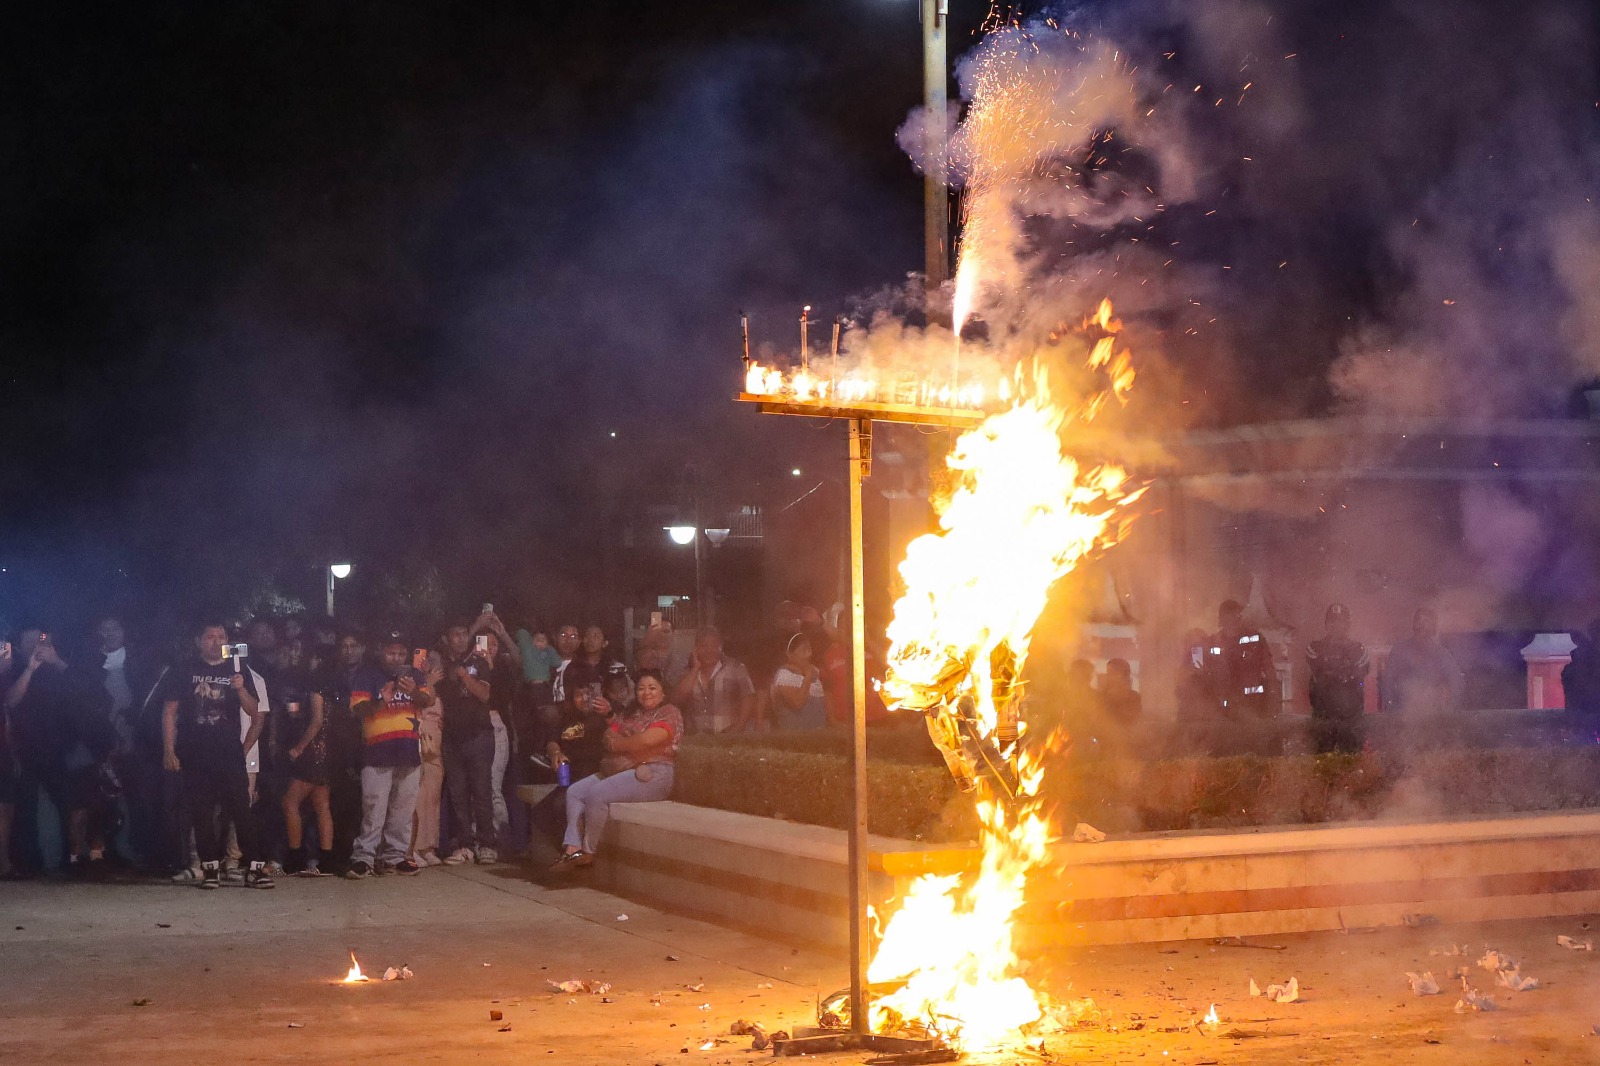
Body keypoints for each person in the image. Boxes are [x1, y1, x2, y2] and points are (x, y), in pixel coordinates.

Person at [159, 622, 274, 890]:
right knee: (202, 812)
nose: (215, 641)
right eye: (210, 636)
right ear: (199, 640)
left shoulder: (236, 668)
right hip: (195, 753)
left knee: (241, 810)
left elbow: (254, 711)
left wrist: (241, 689)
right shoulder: (185, 669)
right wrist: (169, 749)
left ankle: (255, 868)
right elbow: (169, 711)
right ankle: (209, 868)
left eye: (221, 637)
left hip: (228, 753)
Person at [5, 628, 118, 876]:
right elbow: (10, 702)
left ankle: (72, 859)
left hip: (61, 750)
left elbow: (86, 692)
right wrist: (30, 669)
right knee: (26, 808)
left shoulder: (62, 669)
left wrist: (56, 662)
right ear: (20, 645)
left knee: (71, 805)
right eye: (29, 641)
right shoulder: (13, 669)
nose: (35, 645)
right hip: (26, 750)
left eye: (40, 640)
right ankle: (29, 862)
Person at [552, 668, 682, 869]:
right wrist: (626, 742)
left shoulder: (669, 712)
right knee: (575, 792)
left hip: (655, 773)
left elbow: (646, 741)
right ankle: (572, 849)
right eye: (641, 688)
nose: (646, 692)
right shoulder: (633, 712)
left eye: (652, 688)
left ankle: (588, 852)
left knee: (597, 794)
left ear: (663, 692)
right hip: (623, 769)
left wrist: (621, 744)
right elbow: (608, 735)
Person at [347, 632, 435, 878]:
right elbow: (357, 710)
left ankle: (395, 857)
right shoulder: (367, 675)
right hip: (377, 752)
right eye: (390, 652)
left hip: (408, 751)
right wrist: (381, 700)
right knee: (374, 808)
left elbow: (427, 700)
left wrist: (414, 691)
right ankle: (364, 857)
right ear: (380, 651)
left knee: (403, 809)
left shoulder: (415, 676)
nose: (396, 658)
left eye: (400, 653)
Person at [438, 623, 497, 865]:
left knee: (482, 792)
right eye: (455, 634)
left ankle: (487, 844)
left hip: (479, 736)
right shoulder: (439, 664)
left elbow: (484, 695)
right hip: (451, 738)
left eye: (464, 634)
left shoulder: (479, 661)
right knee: (458, 795)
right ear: (447, 638)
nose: (460, 639)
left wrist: (464, 675)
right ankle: (464, 844)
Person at [278, 641, 333, 877]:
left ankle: (296, 856)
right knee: (321, 805)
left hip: (312, 751)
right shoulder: (328, 684)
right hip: (326, 751)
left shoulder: (315, 686)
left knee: (290, 802)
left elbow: (317, 720)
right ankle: (326, 858)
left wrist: (299, 748)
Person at [318, 629, 369, 873]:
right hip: (338, 746)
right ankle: (340, 854)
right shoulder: (333, 676)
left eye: (353, 645)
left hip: (365, 745)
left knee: (363, 804)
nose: (349, 650)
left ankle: (361, 855)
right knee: (339, 803)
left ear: (362, 648)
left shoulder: (371, 674)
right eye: (345, 646)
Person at [1306, 604, 1369, 754]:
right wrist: (1343, 672)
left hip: (1351, 719)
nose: (1336, 625)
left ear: (1347, 624)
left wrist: (1335, 672)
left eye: (1341, 621)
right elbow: (1318, 669)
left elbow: (1359, 672)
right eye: (1332, 621)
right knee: (1322, 763)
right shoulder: (1315, 647)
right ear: (1326, 624)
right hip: (1323, 718)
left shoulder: (1358, 649)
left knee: (1352, 762)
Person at [669, 626, 755, 735]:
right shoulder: (687, 672)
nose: (709, 650)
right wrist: (695, 668)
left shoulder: (736, 668)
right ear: (696, 648)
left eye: (714, 646)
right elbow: (677, 700)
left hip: (728, 738)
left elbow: (749, 697)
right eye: (704, 646)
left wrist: (739, 726)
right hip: (696, 740)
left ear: (721, 647)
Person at [1383, 607, 1464, 717]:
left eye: (1426, 629)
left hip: (1433, 716)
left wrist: (1448, 713)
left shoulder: (1442, 654)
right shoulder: (1399, 651)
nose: (1422, 632)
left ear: (1433, 630)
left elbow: (1456, 684)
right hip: (1403, 715)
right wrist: (1393, 711)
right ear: (1414, 627)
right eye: (1419, 627)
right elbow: (1388, 682)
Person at [1202, 600, 1276, 718]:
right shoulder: (1212, 642)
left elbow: (1270, 671)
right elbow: (1204, 674)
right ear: (1222, 619)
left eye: (1237, 614)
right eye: (1231, 614)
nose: (1235, 618)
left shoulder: (1256, 638)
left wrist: (1272, 708)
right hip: (1222, 711)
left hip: (1253, 706)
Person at [770, 633, 827, 731]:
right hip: (794, 739)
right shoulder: (784, 675)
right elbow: (798, 703)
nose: (807, 654)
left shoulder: (816, 673)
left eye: (809, 649)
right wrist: (808, 676)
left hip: (818, 737)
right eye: (803, 650)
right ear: (790, 654)